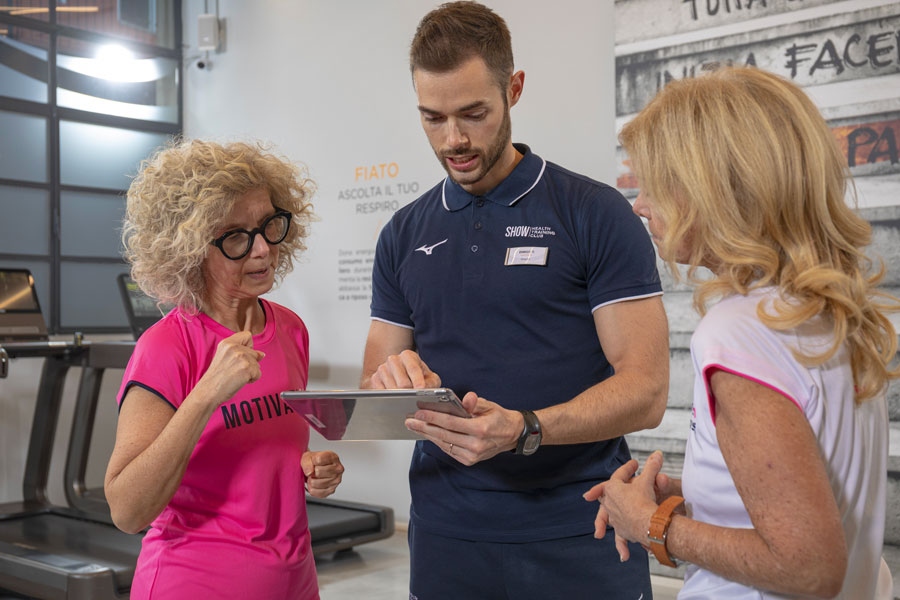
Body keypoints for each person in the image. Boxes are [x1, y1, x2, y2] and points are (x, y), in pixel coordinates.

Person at [361, 2, 670, 597]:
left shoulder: (594, 213)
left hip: (584, 526)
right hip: (447, 536)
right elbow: (375, 385)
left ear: (514, 89)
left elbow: (647, 391)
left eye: (473, 114)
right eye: (433, 118)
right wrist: (391, 383)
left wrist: (526, 428)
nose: (454, 139)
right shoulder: (402, 233)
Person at [585, 66, 898, 599]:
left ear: (714, 188)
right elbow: (807, 496)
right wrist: (694, 493)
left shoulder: (739, 332)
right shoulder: (827, 311)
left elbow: (809, 565)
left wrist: (650, 524)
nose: (639, 205)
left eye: (655, 184)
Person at [104, 139, 344, 599]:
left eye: (268, 225)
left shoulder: (290, 329)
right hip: (193, 581)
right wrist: (207, 393)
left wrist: (311, 470)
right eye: (235, 236)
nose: (262, 250)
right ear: (191, 248)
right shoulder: (167, 346)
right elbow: (127, 510)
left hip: (293, 579)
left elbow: (260, 456)